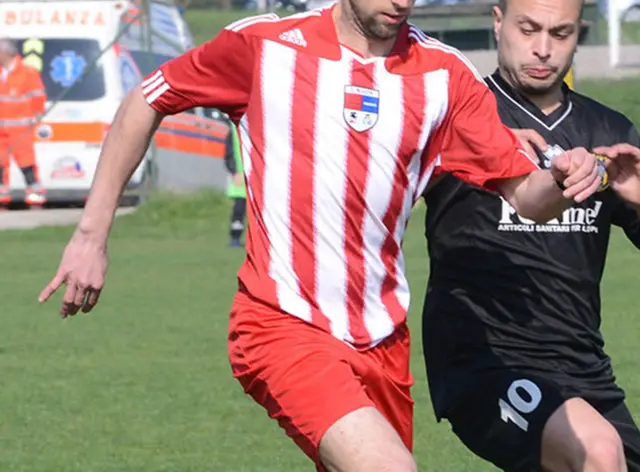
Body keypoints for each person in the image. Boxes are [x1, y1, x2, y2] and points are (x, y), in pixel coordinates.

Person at [37, 1, 611, 471]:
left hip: (382, 339)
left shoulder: (444, 74)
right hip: (282, 322)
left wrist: (566, 179)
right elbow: (148, 98)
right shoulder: (264, 46)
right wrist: (91, 233)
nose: (402, 2)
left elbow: (524, 194)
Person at [420, 0, 640, 471]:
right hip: (482, 361)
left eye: (560, 33)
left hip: (584, 368)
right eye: (528, 29)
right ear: (498, 22)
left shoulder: (607, 130)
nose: (543, 49)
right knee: (596, 453)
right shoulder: (459, 116)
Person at [0, 38, 47, 208]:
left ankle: (35, 199)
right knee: (0, 166)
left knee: (27, 165)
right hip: (1, 131)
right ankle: (2, 200)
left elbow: (38, 98)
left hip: (20, 130)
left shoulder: (28, 73)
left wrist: (36, 117)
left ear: (6, 53)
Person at [223, 120, 247, 248]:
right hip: (240, 178)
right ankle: (235, 238)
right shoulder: (233, 130)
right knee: (239, 210)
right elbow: (229, 153)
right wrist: (234, 171)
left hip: (255, 178)